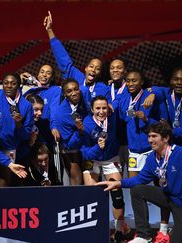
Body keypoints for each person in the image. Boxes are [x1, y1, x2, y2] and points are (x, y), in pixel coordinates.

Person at [97, 121, 181, 243]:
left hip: (180, 203)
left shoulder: (179, 153)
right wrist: (117, 183)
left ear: (166, 138)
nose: (150, 140)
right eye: (149, 136)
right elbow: (140, 179)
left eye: (154, 136)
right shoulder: (153, 158)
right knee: (138, 190)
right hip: (168, 197)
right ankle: (143, 236)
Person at [81, 96, 134, 242]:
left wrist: (151, 91)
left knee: (117, 195)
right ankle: (93, 230)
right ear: (92, 109)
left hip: (111, 159)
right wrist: (98, 148)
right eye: (97, 108)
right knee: (92, 195)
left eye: (104, 108)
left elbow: (121, 97)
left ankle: (118, 230)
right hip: (91, 160)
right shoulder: (86, 123)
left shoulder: (113, 117)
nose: (101, 111)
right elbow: (85, 153)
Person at [43, 11, 110, 103]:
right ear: (86, 68)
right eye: (91, 66)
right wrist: (49, 30)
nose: (93, 70)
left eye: (97, 68)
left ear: (100, 73)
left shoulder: (103, 88)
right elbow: (63, 58)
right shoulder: (77, 77)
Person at [0, 73, 34, 186]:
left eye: (13, 83)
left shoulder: (26, 106)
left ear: (18, 85)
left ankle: (1, 203)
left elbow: (25, 136)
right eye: (6, 83)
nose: (9, 86)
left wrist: (19, 125)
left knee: (3, 182)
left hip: (8, 148)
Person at [51, 79, 89, 185]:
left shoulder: (86, 94)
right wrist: (80, 132)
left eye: (76, 89)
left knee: (92, 175)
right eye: (69, 91)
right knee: (76, 176)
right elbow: (69, 144)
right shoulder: (61, 114)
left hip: (89, 143)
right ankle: (77, 200)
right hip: (72, 147)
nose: (74, 93)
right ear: (64, 94)